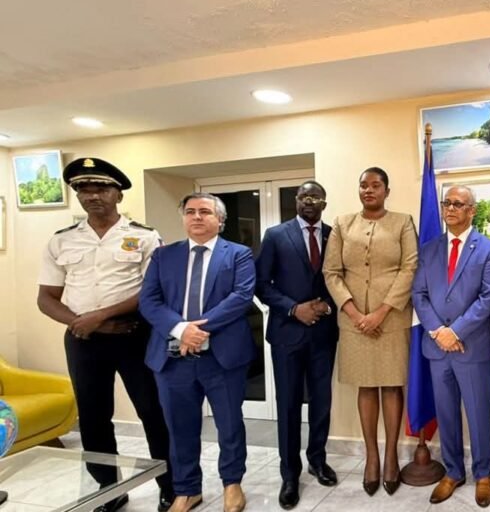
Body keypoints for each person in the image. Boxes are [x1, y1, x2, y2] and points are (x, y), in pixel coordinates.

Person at [37, 157, 175, 512]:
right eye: (83, 189)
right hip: (83, 339)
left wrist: (101, 315)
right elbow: (46, 298)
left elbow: (153, 290)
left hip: (134, 335)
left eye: (101, 188)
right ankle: (109, 489)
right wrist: (85, 322)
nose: (92, 195)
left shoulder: (144, 236)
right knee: (93, 416)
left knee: (153, 411)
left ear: (118, 194)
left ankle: (171, 485)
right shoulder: (61, 241)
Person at [140, 192, 257, 512]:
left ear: (220, 220)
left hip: (222, 358)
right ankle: (187, 489)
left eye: (205, 212)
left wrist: (197, 330)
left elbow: (241, 297)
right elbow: (149, 300)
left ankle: (232, 483)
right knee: (179, 428)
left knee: (230, 425)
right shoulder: (164, 256)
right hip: (173, 359)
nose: (196, 217)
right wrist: (181, 330)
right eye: (190, 211)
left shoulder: (239, 254)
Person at [322, 167, 417, 496]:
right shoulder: (342, 223)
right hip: (354, 322)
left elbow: (410, 267)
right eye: (363, 185)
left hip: (391, 318)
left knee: (391, 386)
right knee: (365, 386)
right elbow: (331, 272)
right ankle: (372, 458)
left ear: (387, 191)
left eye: (376, 185)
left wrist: (381, 312)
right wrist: (354, 313)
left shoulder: (403, 222)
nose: (369, 190)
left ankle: (391, 457)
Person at [411, 185, 490, 508]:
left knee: (478, 415)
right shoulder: (429, 249)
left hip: (471, 347)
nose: (450, 208)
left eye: (458, 204)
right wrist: (438, 331)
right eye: (446, 203)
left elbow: (488, 297)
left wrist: (456, 331)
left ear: (471, 210)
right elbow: (419, 294)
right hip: (438, 348)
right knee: (447, 414)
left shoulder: (489, 249)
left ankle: (483, 474)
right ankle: (453, 471)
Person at [255, 181, 339, 509]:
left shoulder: (335, 235)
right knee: (288, 404)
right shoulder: (276, 235)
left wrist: (326, 306)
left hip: (323, 334)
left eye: (315, 196)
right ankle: (290, 474)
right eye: (303, 196)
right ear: (296, 200)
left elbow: (340, 279)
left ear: (324, 203)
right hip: (287, 334)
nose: (309, 201)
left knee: (322, 401)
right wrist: (294, 308)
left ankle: (317, 460)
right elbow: (262, 284)